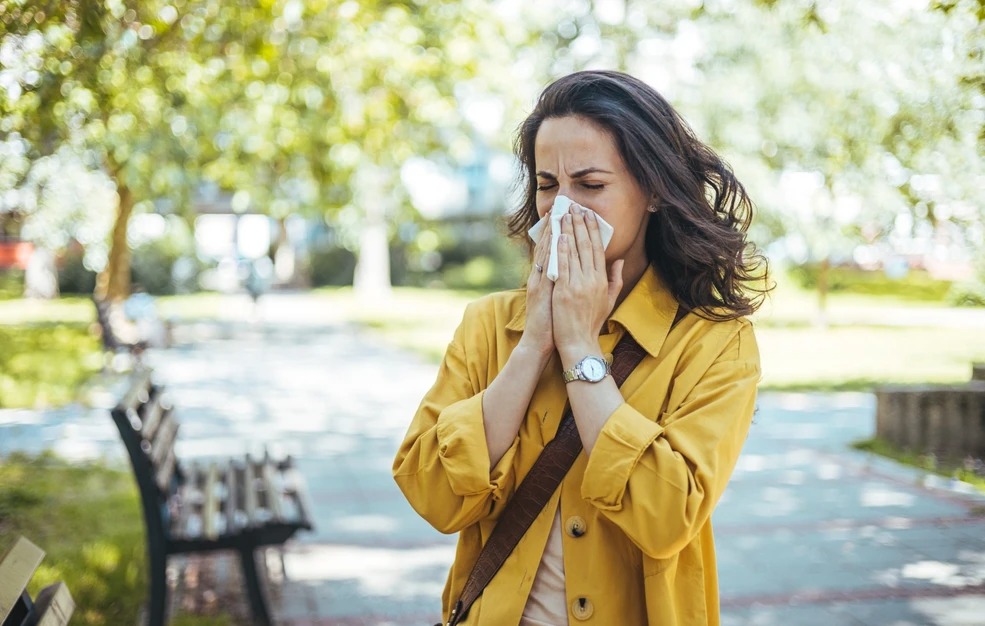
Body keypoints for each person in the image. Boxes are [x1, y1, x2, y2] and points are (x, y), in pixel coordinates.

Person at [393, 70, 770, 626]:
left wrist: (578, 347)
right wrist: (534, 347)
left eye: (590, 186)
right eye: (548, 185)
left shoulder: (714, 343)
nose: (561, 210)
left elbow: (668, 517)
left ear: (654, 193)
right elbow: (432, 494)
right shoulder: (489, 325)